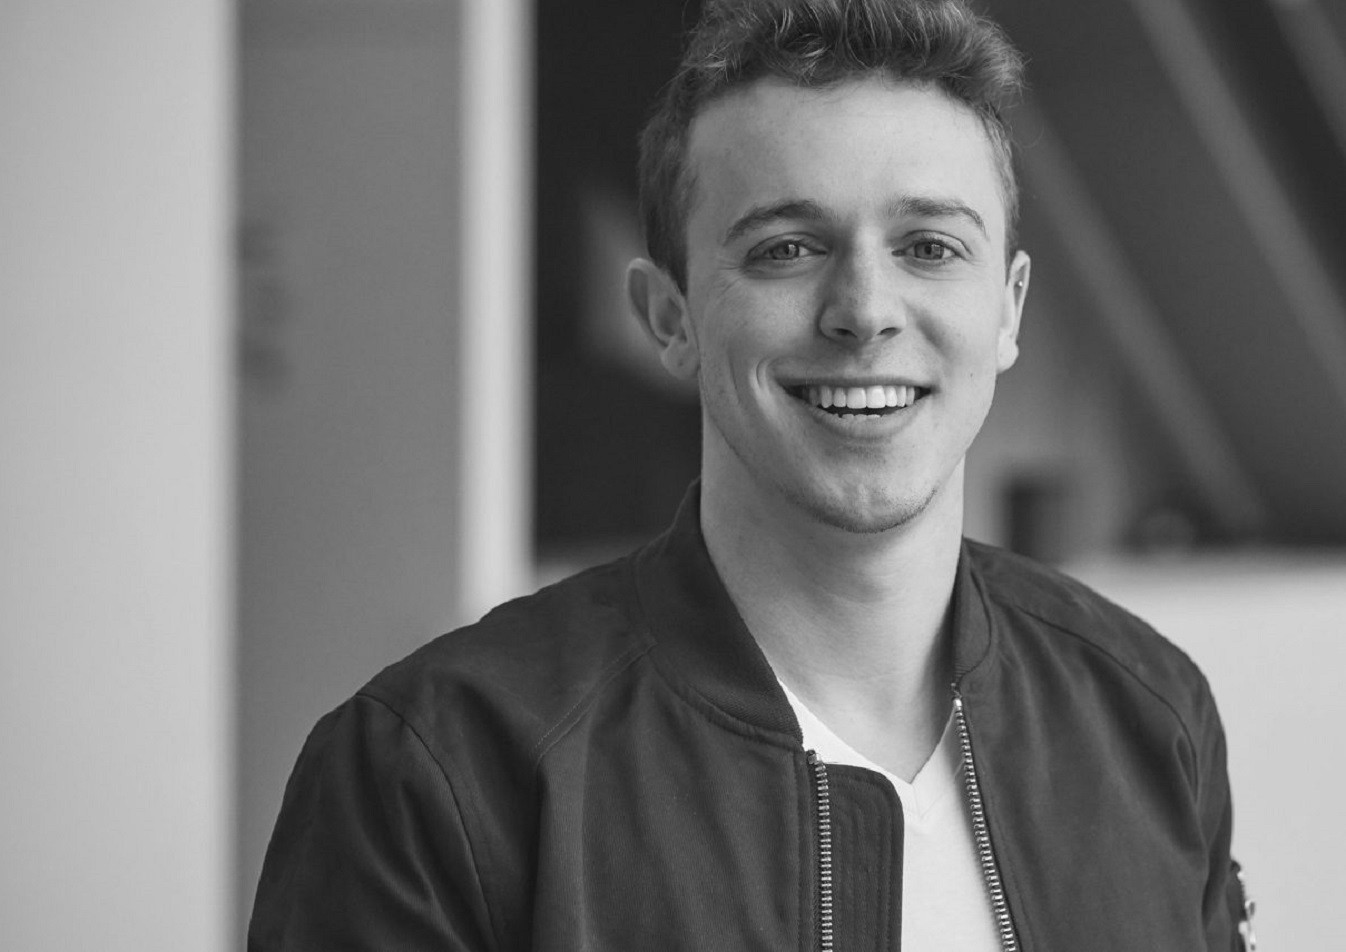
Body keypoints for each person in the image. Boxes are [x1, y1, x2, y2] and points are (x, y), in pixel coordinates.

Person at [249, 0, 1253, 948]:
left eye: (929, 246)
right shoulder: (434, 773)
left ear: (1007, 308)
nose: (864, 310)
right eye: (786, 249)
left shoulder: (1150, 717)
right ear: (670, 317)